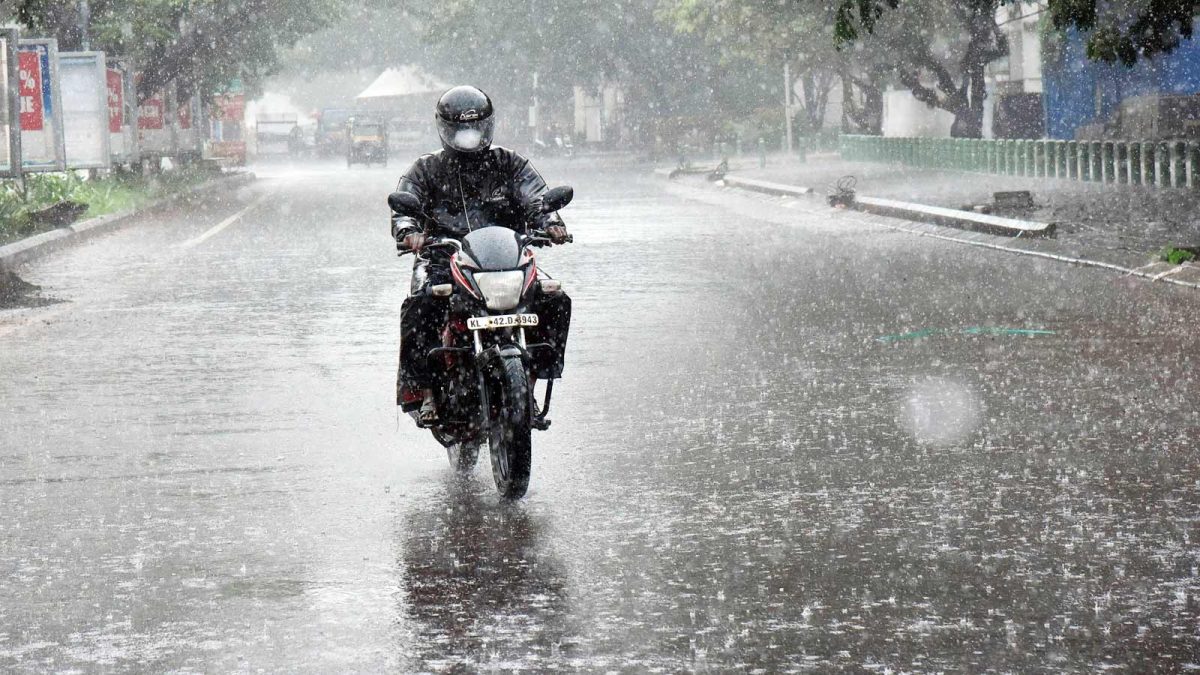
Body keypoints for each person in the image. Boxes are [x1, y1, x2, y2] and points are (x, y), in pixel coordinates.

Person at [391, 85, 572, 424]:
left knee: (555, 298)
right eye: (461, 128)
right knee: (421, 305)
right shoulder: (426, 170)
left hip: (506, 261)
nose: (469, 136)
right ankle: (425, 392)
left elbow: (537, 197)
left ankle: (532, 380)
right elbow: (405, 202)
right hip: (443, 259)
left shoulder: (510, 164)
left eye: (474, 127)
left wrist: (551, 222)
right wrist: (408, 231)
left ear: (488, 125)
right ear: (446, 128)